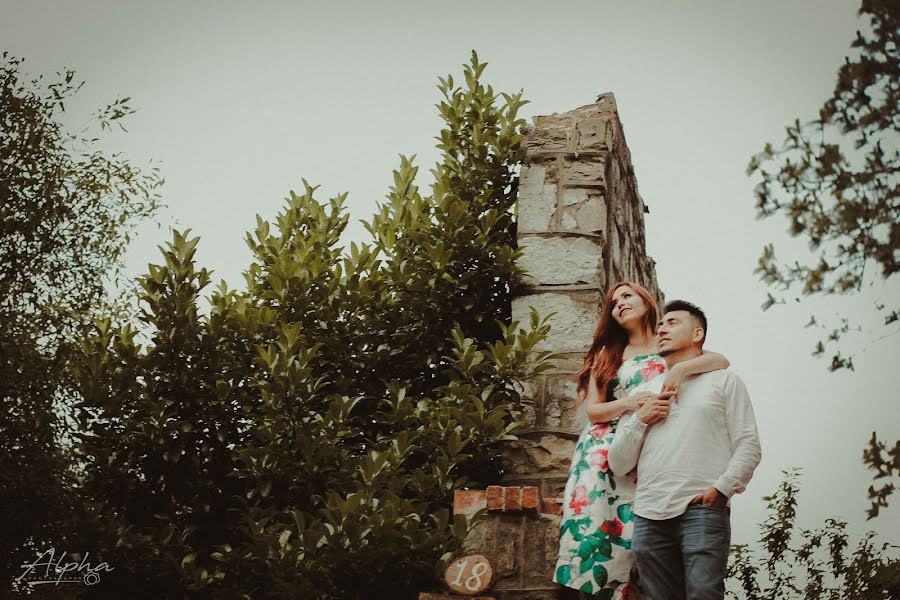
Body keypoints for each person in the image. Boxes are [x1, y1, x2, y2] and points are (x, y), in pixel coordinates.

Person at [553, 283, 730, 598]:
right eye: (613, 302)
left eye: (627, 296)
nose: (619, 304)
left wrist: (681, 370)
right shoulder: (609, 353)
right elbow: (594, 411)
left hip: (653, 448)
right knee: (597, 529)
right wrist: (630, 404)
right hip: (605, 448)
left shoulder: (670, 349)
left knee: (642, 534)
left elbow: (721, 361)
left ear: (647, 302)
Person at [608, 300, 762, 600]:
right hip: (649, 516)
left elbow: (748, 443)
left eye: (673, 322)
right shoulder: (644, 392)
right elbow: (618, 463)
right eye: (661, 324)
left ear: (697, 334)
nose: (662, 327)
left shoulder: (724, 380)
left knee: (704, 594)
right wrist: (640, 419)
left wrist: (722, 489)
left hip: (701, 509)